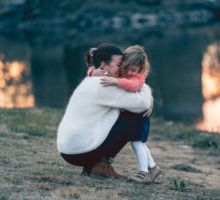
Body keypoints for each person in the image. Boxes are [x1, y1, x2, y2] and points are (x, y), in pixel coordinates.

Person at [57, 44, 152, 179]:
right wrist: (147, 91)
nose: (123, 69)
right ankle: (101, 166)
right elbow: (142, 104)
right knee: (134, 117)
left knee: (125, 114)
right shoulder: (104, 84)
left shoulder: (91, 80)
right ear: (103, 66)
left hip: (69, 149)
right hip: (79, 151)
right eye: (119, 64)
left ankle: (95, 166)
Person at [88, 45, 161, 183]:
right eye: (126, 68)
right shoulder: (123, 73)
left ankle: (144, 172)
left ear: (141, 69)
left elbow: (134, 86)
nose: (129, 73)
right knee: (139, 144)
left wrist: (116, 81)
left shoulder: (138, 78)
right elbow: (100, 70)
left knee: (137, 144)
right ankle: (153, 167)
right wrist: (93, 72)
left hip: (140, 117)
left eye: (133, 70)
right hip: (131, 116)